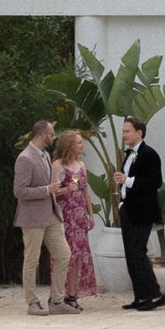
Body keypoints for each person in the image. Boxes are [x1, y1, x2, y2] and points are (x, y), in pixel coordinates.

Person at [14, 119, 76, 316]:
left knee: (64, 254)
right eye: (51, 133)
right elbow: (20, 191)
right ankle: (32, 301)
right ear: (42, 135)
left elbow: (49, 187)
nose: (54, 136)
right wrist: (46, 189)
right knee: (32, 259)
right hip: (32, 216)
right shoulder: (25, 158)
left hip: (51, 213)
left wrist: (60, 188)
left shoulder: (46, 155)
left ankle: (57, 300)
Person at [115, 115, 165, 312]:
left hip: (143, 212)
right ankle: (142, 295)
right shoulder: (129, 154)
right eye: (123, 131)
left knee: (138, 253)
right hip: (129, 209)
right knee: (131, 255)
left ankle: (152, 295)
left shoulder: (149, 154)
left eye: (127, 131)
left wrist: (128, 181)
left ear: (139, 133)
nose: (124, 135)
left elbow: (154, 182)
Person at [50, 130, 98, 308]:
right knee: (64, 255)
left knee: (79, 256)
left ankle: (72, 293)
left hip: (79, 218)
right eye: (79, 142)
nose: (82, 145)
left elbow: (85, 192)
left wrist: (90, 214)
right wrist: (66, 190)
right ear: (69, 145)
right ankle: (58, 294)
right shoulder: (58, 165)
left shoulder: (81, 165)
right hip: (65, 217)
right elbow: (52, 191)